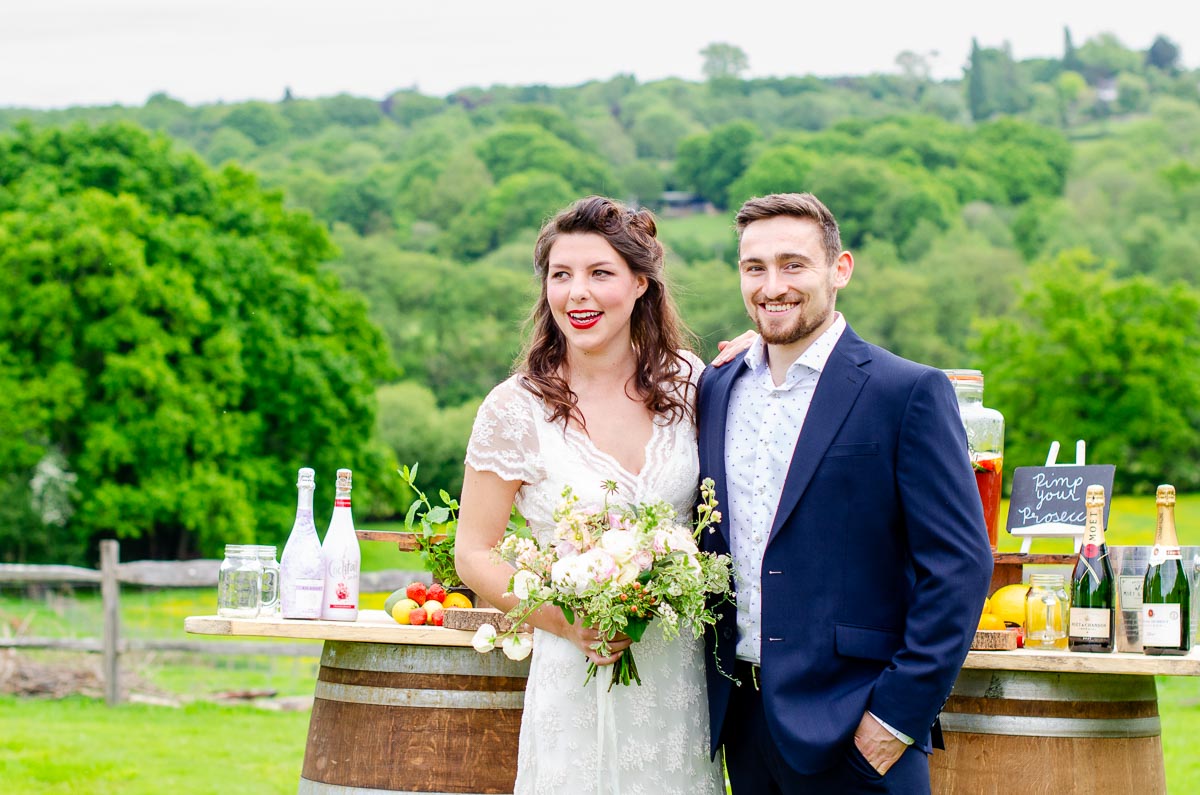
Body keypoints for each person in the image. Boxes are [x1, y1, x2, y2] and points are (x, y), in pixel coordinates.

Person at [697, 192, 994, 793]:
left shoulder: (906, 392)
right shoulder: (716, 387)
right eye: (754, 267)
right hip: (743, 728)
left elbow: (960, 566)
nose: (771, 285)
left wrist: (893, 720)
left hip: (857, 729)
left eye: (793, 264)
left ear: (841, 269)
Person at [456, 196, 742, 794]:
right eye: (561, 275)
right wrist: (566, 624)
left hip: (677, 672)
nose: (577, 293)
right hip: (574, 670)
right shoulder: (514, 409)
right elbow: (474, 554)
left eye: (599, 273)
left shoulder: (692, 384)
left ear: (641, 283)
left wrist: (756, 357)